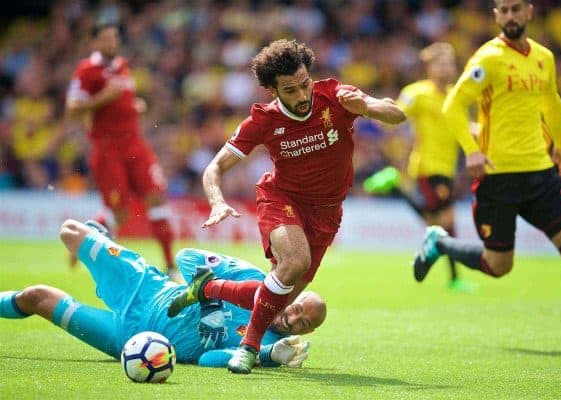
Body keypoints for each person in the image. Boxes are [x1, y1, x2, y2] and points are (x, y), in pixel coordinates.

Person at [197, 38, 405, 373]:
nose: (302, 96)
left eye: (305, 84)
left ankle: (207, 287)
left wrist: (367, 108)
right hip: (282, 199)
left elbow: (397, 113)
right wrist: (217, 201)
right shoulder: (263, 121)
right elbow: (215, 167)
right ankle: (248, 348)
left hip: (327, 212)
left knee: (284, 295)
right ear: (273, 90)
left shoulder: (335, 96)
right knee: (294, 261)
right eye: (290, 90)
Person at [412, 0, 561, 352]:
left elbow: (552, 101)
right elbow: (453, 104)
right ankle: (440, 243)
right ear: (496, 16)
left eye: (516, 9)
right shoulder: (487, 58)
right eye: (503, 10)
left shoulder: (544, 57)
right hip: (498, 178)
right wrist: (471, 149)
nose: (510, 16)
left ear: (529, 12)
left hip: (541, 175)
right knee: (498, 265)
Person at [0, 219, 324, 367]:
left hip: (127, 339)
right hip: (145, 287)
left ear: (307, 332)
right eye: (297, 309)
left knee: (36, 297)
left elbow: (210, 358)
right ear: (292, 295)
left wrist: (267, 357)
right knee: (70, 231)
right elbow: (187, 257)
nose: (291, 321)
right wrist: (209, 298)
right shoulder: (250, 277)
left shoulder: (263, 344)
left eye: (301, 324)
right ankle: (101, 234)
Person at [62, 22, 178, 280]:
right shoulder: (87, 71)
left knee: (156, 197)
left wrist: (133, 105)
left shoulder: (122, 65)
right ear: (94, 43)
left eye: (114, 38)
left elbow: (119, 101)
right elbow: (72, 108)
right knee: (120, 212)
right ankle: (84, 242)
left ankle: (171, 267)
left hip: (135, 144)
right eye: (105, 39)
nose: (111, 43)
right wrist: (105, 96)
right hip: (108, 149)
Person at [363, 42, 474, 292]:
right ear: (429, 67)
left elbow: (463, 127)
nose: (447, 67)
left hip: (448, 167)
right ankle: (455, 278)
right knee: (446, 221)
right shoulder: (417, 93)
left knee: (435, 221)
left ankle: (396, 186)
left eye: (449, 62)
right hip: (427, 165)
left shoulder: (455, 95)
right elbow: (396, 115)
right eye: (441, 63)